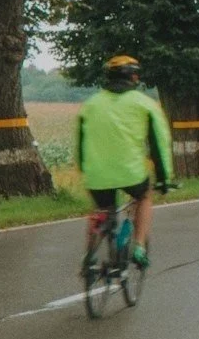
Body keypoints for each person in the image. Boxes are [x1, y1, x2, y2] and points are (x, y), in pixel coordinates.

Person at [75, 55, 175, 268]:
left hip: (97, 174)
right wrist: (164, 178)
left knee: (101, 209)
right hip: (131, 173)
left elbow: (81, 142)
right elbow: (159, 143)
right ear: (134, 77)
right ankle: (139, 247)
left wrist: (85, 169)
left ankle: (89, 255)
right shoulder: (145, 104)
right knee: (144, 197)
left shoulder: (90, 105)